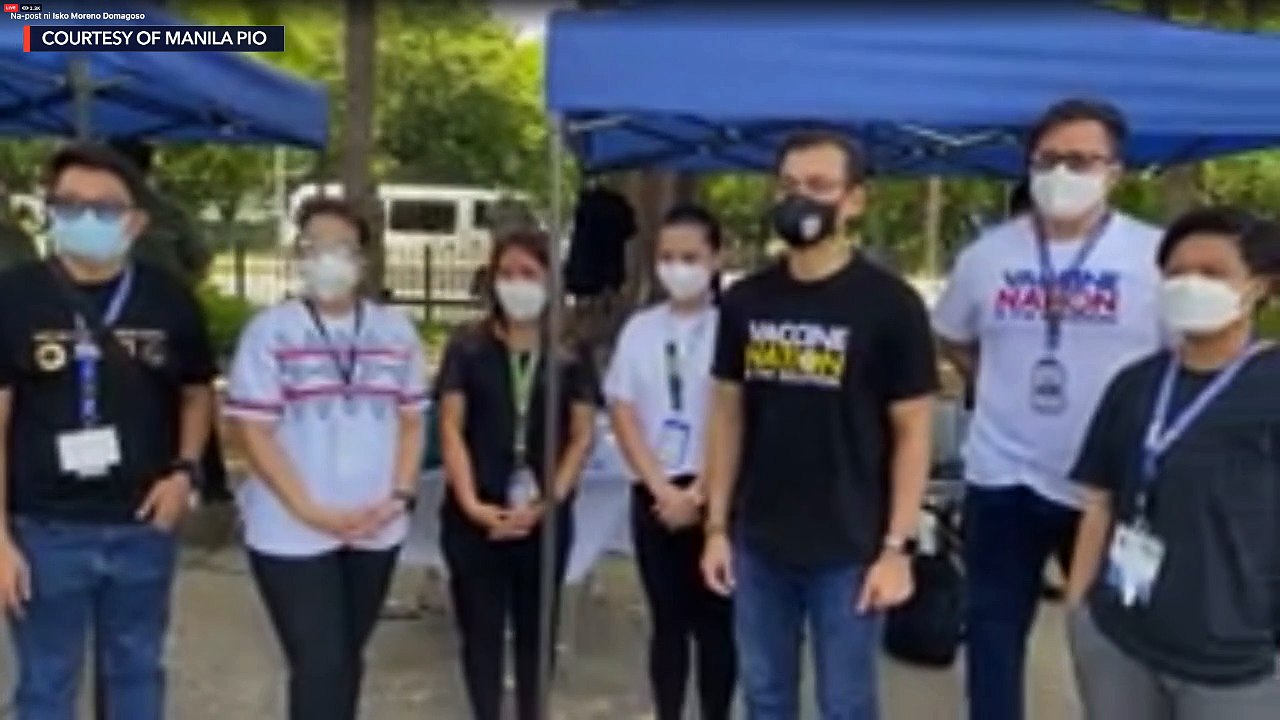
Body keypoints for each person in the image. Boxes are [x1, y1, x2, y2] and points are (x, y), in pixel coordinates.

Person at [931, 98, 1166, 720]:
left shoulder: (1154, 256)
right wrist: (993, 382)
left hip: (1107, 486)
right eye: (1051, 158)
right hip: (1002, 475)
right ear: (1029, 166)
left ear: (1115, 170)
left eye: (1083, 160)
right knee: (992, 632)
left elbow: (1181, 357)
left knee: (1111, 638)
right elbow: (953, 333)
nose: (1065, 172)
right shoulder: (989, 256)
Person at [700, 130, 939, 720]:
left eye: (819, 186)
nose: (800, 199)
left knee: (847, 705)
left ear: (854, 200)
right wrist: (715, 527)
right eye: (788, 186)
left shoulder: (891, 305)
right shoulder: (745, 301)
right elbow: (727, 415)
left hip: (852, 549)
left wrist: (897, 547)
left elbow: (913, 433)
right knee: (764, 696)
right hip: (760, 544)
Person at [0, 143, 216, 719]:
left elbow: (197, 393)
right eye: (69, 205)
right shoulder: (14, 296)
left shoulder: (169, 300)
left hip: (142, 525)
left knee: (137, 673)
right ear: (50, 211)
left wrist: (185, 471)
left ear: (136, 221)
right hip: (44, 530)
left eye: (105, 208)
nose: (86, 219)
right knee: (46, 683)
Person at [1065, 207, 1280, 719]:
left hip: (1234, 658)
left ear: (1260, 286)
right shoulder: (1135, 383)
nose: (1190, 285)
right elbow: (1099, 501)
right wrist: (1079, 610)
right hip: (1121, 637)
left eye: (1212, 273)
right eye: (1177, 272)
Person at [223, 197, 427, 720]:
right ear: (299, 254)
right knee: (319, 661)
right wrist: (312, 511)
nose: (328, 259)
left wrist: (399, 496)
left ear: (363, 259)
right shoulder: (270, 332)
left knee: (346, 659)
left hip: (376, 524)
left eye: (342, 248)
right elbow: (255, 432)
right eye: (315, 247)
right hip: (291, 529)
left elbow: (411, 421)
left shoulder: (395, 331)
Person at [435, 228, 599, 720]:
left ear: (551, 280)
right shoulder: (467, 346)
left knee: (536, 637)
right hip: (475, 517)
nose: (516, 283)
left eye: (529, 273)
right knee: (480, 636)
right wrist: (471, 503)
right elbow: (450, 426)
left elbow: (582, 435)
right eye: (506, 273)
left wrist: (551, 501)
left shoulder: (571, 353)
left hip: (544, 521)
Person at [605, 204, 736, 720]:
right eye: (667, 257)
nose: (677, 268)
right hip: (655, 491)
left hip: (717, 492)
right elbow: (623, 408)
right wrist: (660, 487)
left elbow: (737, 413)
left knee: (717, 623)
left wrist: (701, 491)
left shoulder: (731, 326)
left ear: (716, 257)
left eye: (690, 256)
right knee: (667, 621)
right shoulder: (640, 329)